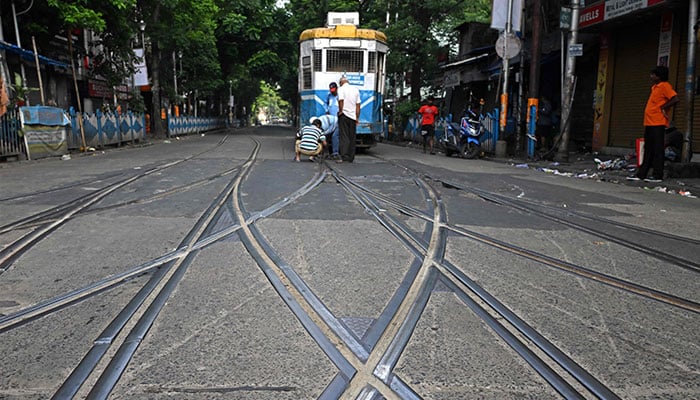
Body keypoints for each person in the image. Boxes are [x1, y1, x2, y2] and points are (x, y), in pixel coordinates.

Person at [628, 65, 678, 182]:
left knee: (657, 149)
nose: (651, 76)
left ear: (659, 76)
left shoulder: (665, 86)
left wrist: (663, 108)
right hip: (650, 123)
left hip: (658, 122)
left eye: (653, 74)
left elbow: (675, 99)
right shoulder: (655, 87)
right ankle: (642, 174)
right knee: (649, 148)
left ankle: (657, 175)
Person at [337, 76, 360, 163]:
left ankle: (344, 156)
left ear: (341, 83)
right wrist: (357, 117)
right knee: (352, 137)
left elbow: (341, 100)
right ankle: (351, 157)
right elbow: (358, 105)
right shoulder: (355, 89)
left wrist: (340, 111)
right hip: (353, 116)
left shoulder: (341, 89)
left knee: (344, 136)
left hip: (344, 115)